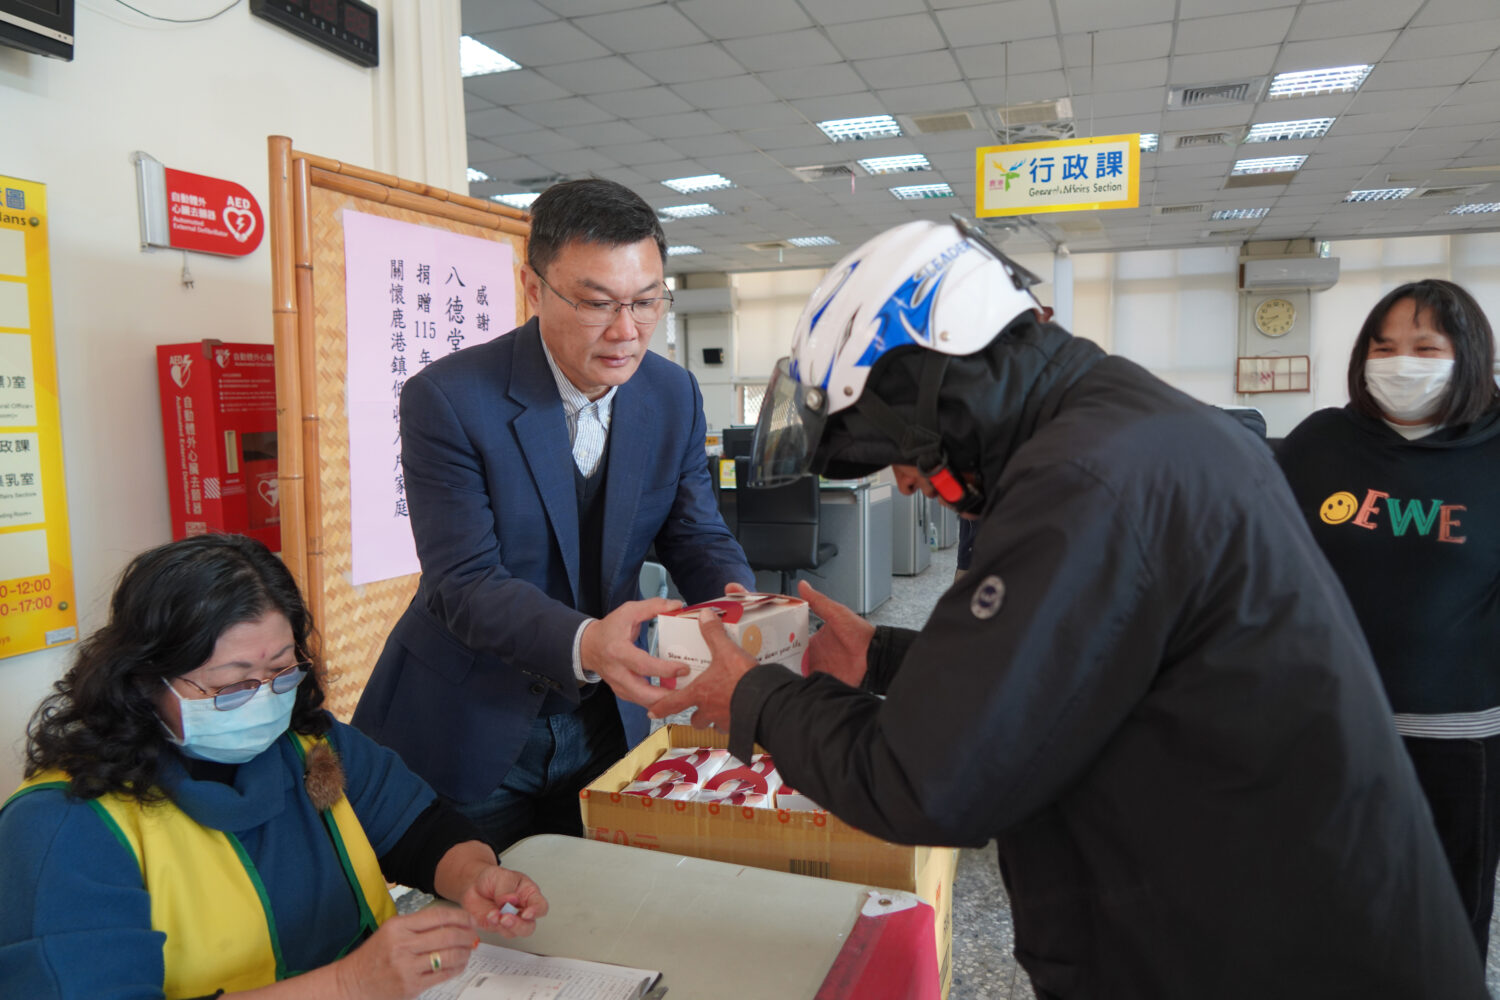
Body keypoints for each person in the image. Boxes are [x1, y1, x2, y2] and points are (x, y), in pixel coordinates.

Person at [652, 217, 1486, 998]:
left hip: (1267, 959)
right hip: (1267, 926)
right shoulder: (1120, 427)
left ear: (940, 393)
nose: (905, 482)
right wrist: (881, 658)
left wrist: (754, 697)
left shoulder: (1084, 480)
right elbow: (1075, 675)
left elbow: (925, 784)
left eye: (894, 451)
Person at [352, 178, 755, 850]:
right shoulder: (450, 399)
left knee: (597, 896)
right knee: (483, 902)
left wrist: (743, 608)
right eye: (597, 303)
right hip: (473, 717)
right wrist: (586, 642)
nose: (626, 331)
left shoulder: (673, 394)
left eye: (646, 301)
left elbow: (694, 532)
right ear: (533, 289)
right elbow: (463, 580)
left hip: (606, 719)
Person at [0, 534, 547, 1000]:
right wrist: (348, 985)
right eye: (231, 684)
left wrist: (473, 876)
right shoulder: (63, 826)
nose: (263, 699)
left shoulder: (310, 747)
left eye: (282, 671)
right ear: (144, 680)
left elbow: (420, 831)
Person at [1278, 279, 1500, 957]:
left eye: (1425, 348)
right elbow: (1265, 564)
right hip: (1327, 723)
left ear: (1469, 357)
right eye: (1384, 347)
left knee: (1444, 920)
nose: (1401, 362)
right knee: (1323, 909)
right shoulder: (1321, 442)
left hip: (1455, 738)